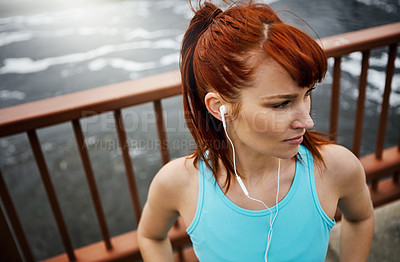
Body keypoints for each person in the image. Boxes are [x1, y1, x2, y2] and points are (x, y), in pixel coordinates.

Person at [137, 1, 374, 261]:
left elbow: (361, 217)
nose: (307, 122)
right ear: (219, 107)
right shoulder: (177, 183)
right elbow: (150, 235)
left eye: (307, 94)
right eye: (281, 104)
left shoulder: (336, 168)